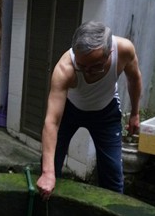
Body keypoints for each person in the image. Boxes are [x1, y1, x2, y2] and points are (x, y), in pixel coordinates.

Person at [36, 21, 142, 200]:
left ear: (110, 53)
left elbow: (134, 79)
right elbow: (52, 122)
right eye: (82, 66)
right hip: (71, 109)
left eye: (95, 66)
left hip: (106, 111)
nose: (88, 72)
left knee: (113, 173)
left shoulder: (124, 50)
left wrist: (135, 114)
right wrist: (47, 173)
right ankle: (45, 210)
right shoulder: (64, 69)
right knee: (50, 166)